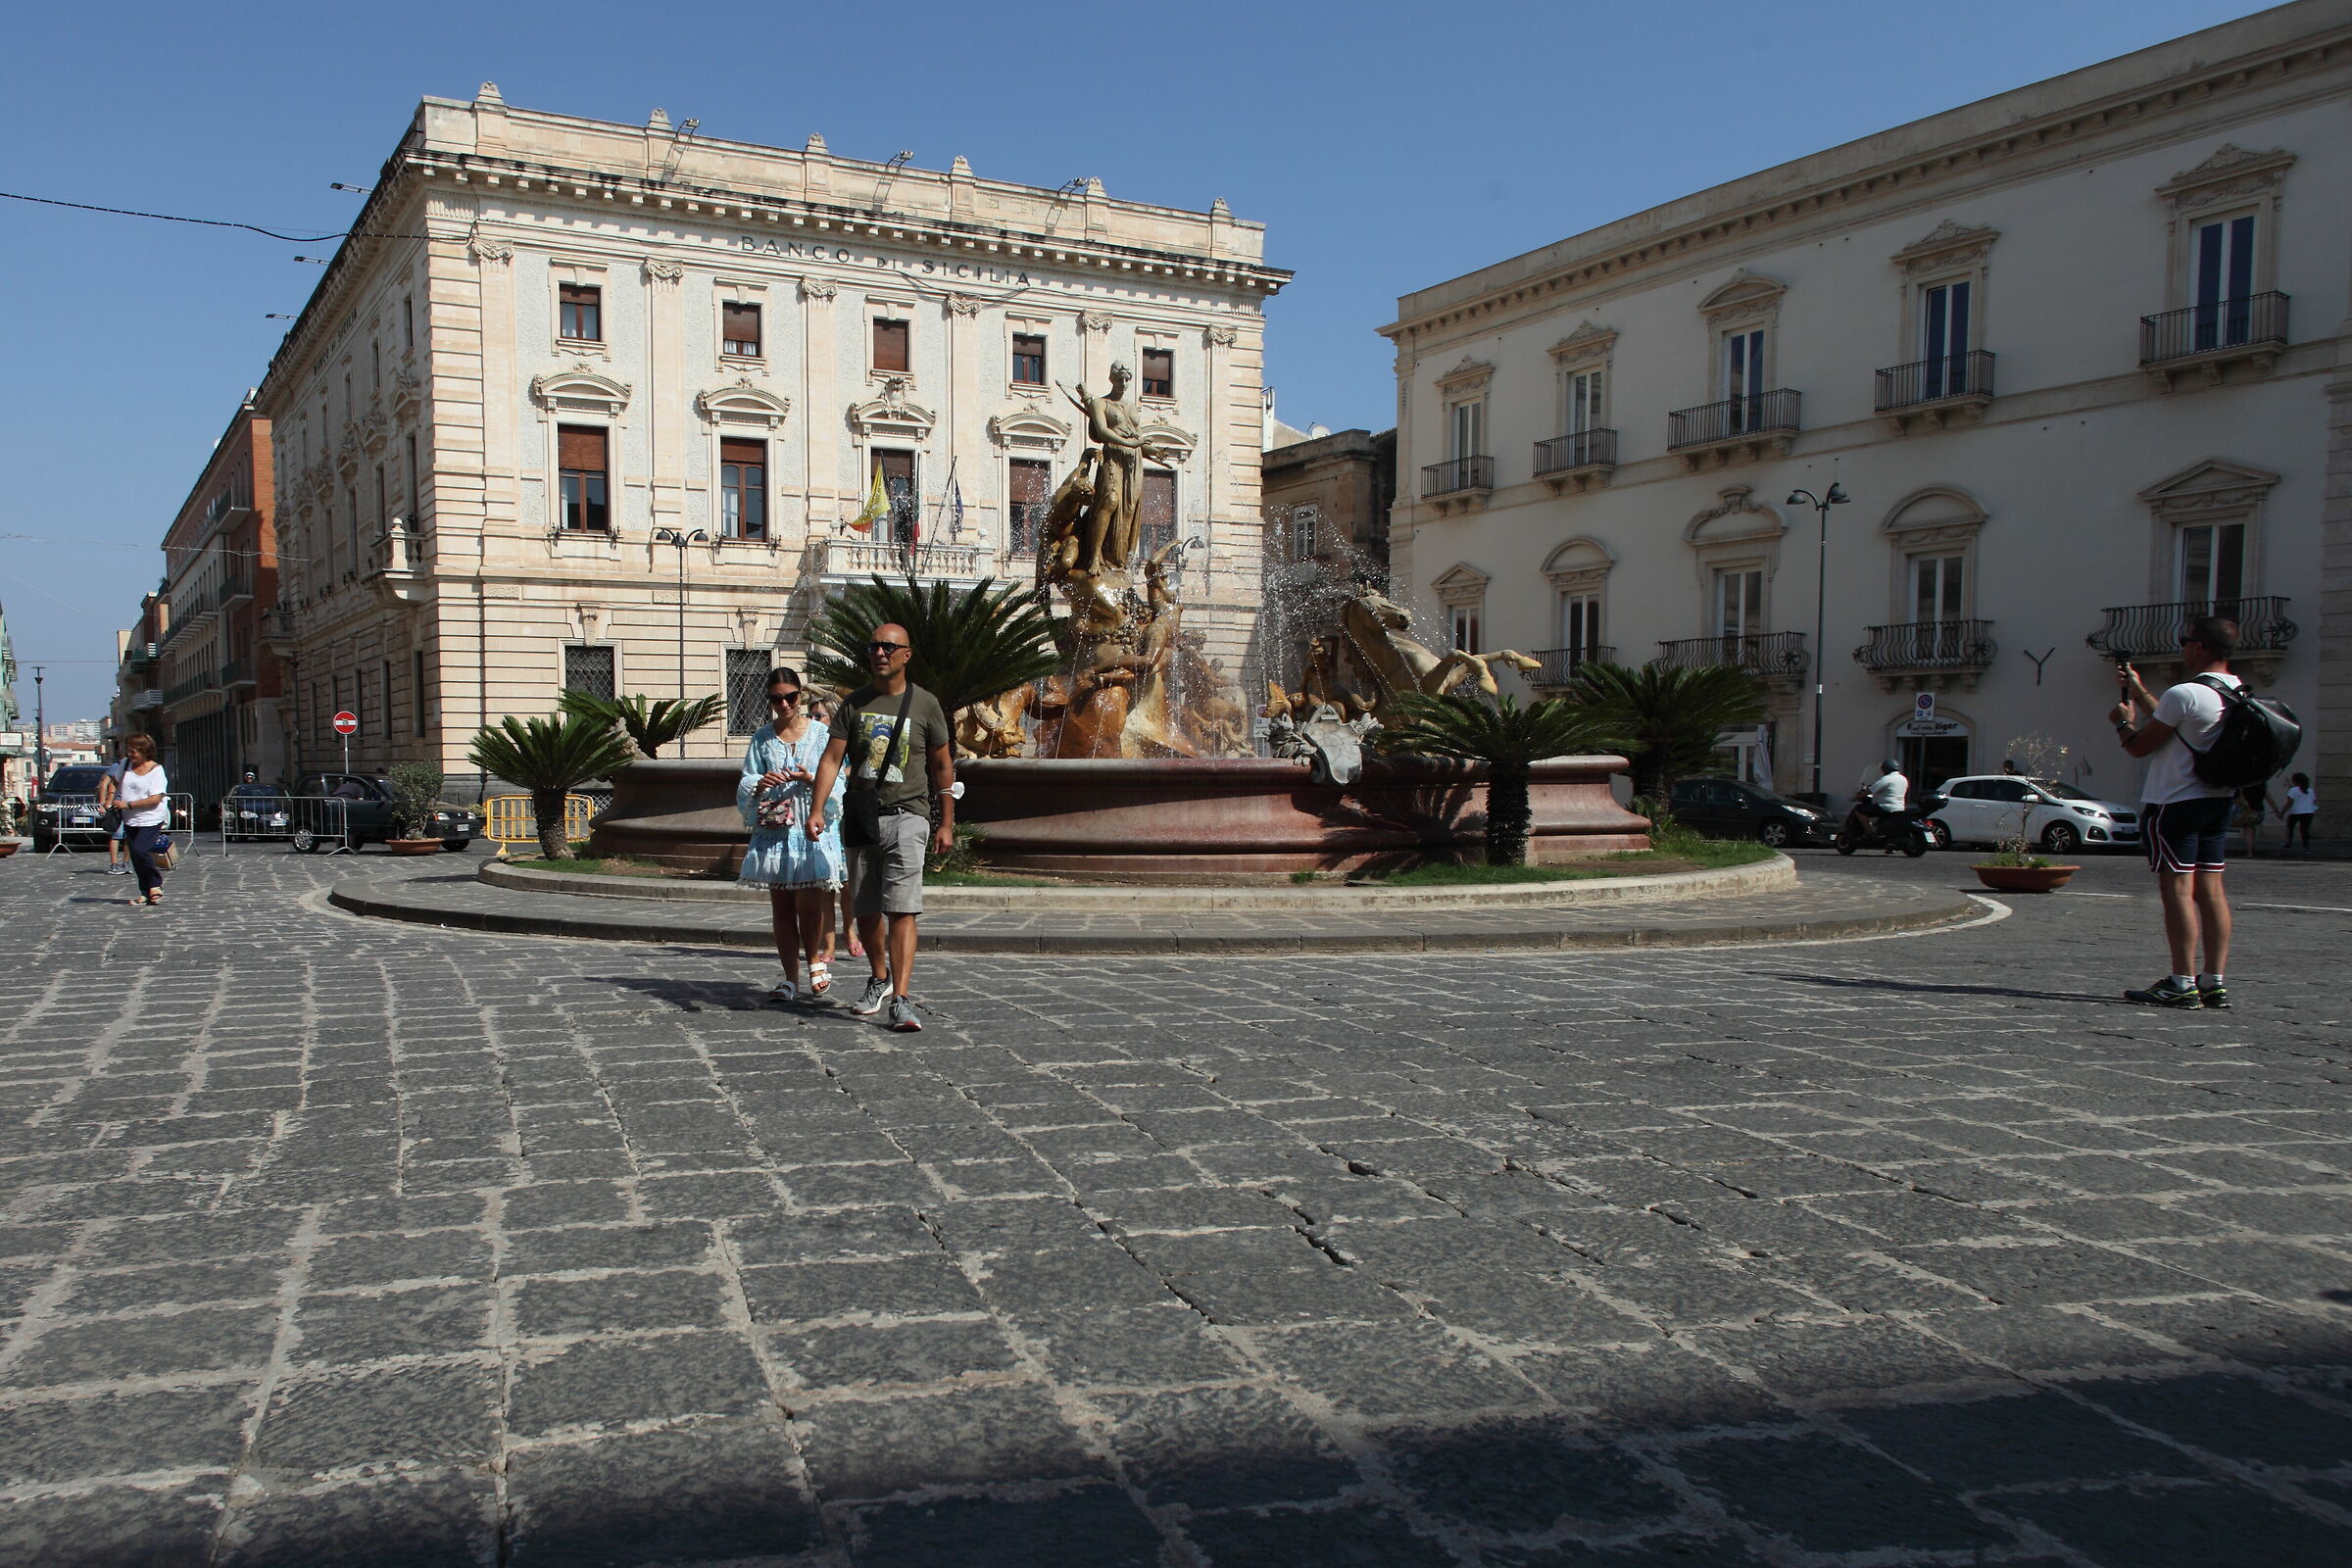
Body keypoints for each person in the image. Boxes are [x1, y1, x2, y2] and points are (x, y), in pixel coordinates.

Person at [808, 623, 955, 1032]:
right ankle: (879, 978)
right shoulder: (854, 704)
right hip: (860, 815)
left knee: (902, 908)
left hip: (909, 815)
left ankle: (902, 999)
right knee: (867, 909)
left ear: (907, 654)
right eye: (874, 646)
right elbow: (830, 761)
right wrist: (817, 808)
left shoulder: (925, 705)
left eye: (889, 647)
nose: (880, 652)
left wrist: (946, 821)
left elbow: (942, 765)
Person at [2110, 615, 2242, 1008]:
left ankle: (2181, 982)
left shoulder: (2184, 692)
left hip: (2175, 804)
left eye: (2186, 641)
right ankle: (2213, 980)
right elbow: (2179, 725)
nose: (2183, 647)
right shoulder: (2235, 691)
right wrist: (2140, 690)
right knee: (2212, 892)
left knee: (2178, 893)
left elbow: (2139, 745)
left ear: (2199, 647)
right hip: (2217, 801)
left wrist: (2122, 723)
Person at [736, 667, 844, 1004]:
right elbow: (746, 779)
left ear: (801, 696)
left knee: (810, 904)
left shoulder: (820, 735)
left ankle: (814, 960)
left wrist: (812, 778)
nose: (784, 704)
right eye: (776, 698)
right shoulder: (762, 737)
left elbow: (838, 780)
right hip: (775, 827)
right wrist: (759, 783)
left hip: (810, 826)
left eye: (790, 697)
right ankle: (789, 978)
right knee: (781, 906)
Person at [804, 693, 864, 963]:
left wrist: (829, 775)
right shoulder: (810, 743)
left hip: (845, 817)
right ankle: (828, 943)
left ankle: (849, 931)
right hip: (824, 820)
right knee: (826, 884)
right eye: (811, 715)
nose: (813, 720)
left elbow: (858, 768)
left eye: (819, 716)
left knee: (848, 884)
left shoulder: (846, 740)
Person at [117, 734, 172, 907]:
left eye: (134, 751)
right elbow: (112, 781)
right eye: (129, 751)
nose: (131, 754)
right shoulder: (125, 765)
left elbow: (155, 798)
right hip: (130, 819)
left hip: (151, 817)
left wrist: (129, 804)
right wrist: (108, 798)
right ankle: (145, 892)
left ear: (145, 751)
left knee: (141, 850)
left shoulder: (156, 770)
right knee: (135, 856)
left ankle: (155, 884)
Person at [98, 745, 129, 875]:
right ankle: (114, 864)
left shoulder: (135, 767)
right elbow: (105, 783)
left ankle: (126, 863)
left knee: (128, 836)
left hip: (129, 805)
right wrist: (103, 803)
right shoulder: (118, 766)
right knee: (117, 835)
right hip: (116, 806)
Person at [2280, 771, 2317, 854]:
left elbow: (2289, 803)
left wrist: (2282, 812)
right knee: (2305, 830)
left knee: (2290, 828)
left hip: (2295, 812)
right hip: (2309, 812)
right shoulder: (2310, 790)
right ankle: (2306, 847)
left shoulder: (2293, 790)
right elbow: (2313, 800)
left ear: (2295, 781)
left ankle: (2288, 843)